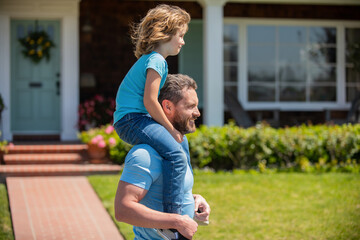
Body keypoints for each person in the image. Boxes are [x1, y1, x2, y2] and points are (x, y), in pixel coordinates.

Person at [113, 4, 191, 238]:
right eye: (181, 35)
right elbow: (149, 101)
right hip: (132, 120)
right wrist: (170, 130)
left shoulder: (154, 59)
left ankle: (187, 200)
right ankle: (172, 222)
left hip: (134, 119)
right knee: (176, 153)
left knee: (182, 146)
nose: (183, 41)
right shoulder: (157, 60)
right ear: (167, 33)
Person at [114, 74, 210, 240]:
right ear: (168, 107)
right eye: (190, 106)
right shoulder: (145, 155)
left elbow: (163, 192)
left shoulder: (179, 146)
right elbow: (123, 210)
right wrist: (177, 221)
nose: (197, 113)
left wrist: (194, 199)